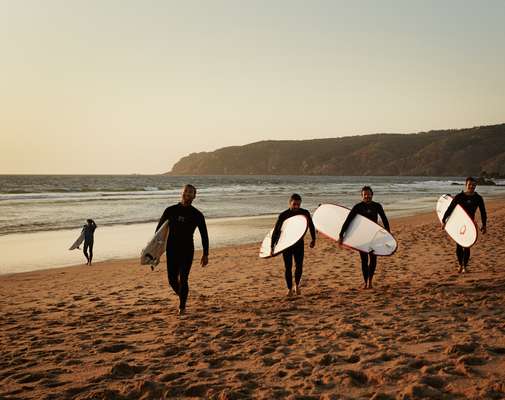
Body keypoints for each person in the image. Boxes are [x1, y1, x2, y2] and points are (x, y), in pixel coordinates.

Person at [156, 184, 209, 315]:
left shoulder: (197, 215)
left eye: (191, 192)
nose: (188, 194)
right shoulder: (170, 210)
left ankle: (182, 307)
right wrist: (155, 252)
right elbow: (158, 231)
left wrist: (205, 254)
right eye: (186, 191)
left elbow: (204, 235)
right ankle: (183, 296)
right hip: (172, 249)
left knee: (184, 278)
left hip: (187, 250)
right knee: (172, 280)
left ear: (194, 196)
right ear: (182, 193)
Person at [338, 186, 390, 289]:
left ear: (372, 194)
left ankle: (370, 281)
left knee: (373, 259)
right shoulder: (358, 207)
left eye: (368, 194)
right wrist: (341, 234)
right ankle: (366, 281)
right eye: (365, 194)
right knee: (364, 260)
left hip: (374, 236)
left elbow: (384, 218)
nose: (367, 196)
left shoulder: (377, 206)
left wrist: (388, 233)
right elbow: (348, 220)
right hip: (362, 237)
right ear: (362, 196)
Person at [271, 193, 316, 297]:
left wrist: (313, 239)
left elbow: (311, 226)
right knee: (288, 267)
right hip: (286, 244)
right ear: (289, 203)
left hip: (299, 243)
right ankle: (289, 289)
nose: (296, 206)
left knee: (299, 266)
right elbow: (276, 231)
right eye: (294, 204)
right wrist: (272, 246)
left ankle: (297, 285)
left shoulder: (304, 213)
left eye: (298, 204)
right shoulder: (283, 215)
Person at [442, 176, 487, 273]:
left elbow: (483, 212)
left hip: (470, 224)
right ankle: (460, 265)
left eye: (474, 185)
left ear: (476, 186)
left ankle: (465, 266)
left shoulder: (478, 198)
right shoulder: (459, 197)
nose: (472, 186)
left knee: (467, 245)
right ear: (466, 185)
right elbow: (450, 208)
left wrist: (484, 225)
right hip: (459, 223)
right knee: (459, 245)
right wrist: (443, 220)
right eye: (470, 184)